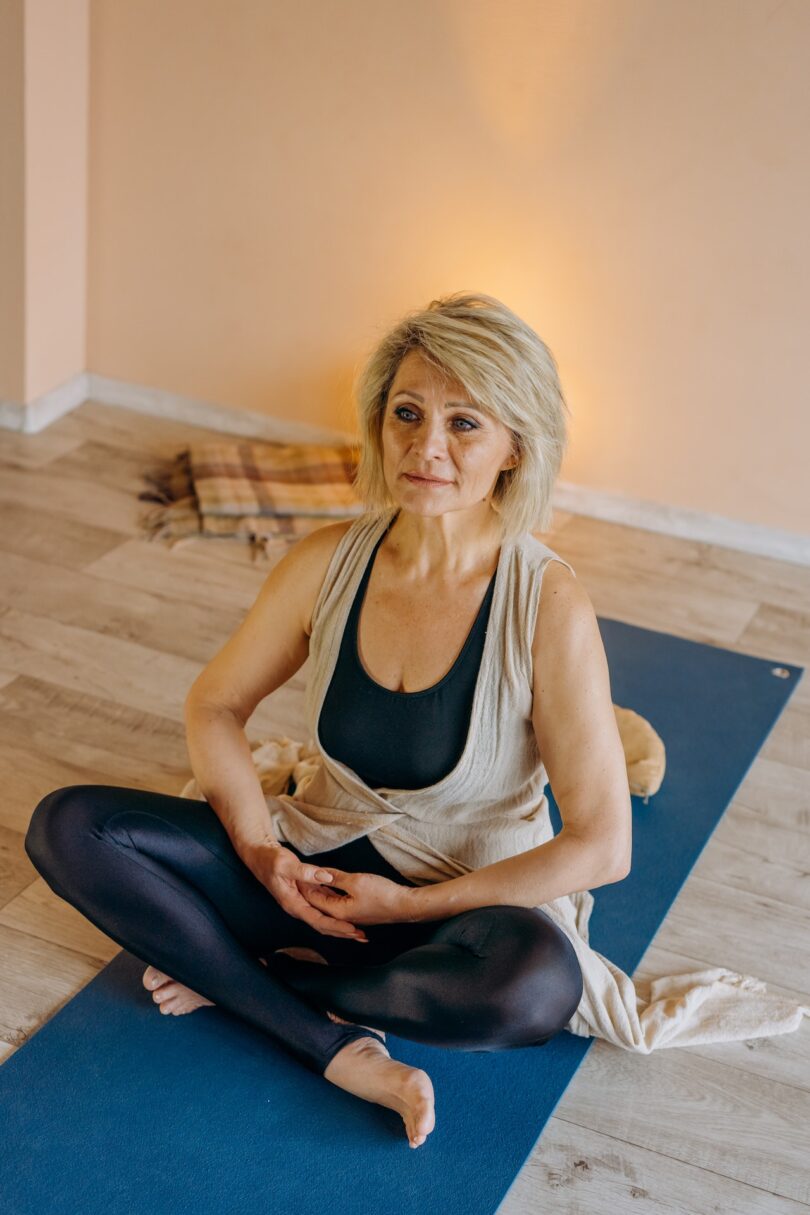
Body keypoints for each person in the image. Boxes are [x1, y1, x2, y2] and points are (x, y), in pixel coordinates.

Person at [25, 291, 632, 1150]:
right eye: (408, 413)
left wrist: (411, 904)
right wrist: (261, 851)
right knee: (69, 826)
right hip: (311, 873)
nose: (426, 446)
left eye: (465, 424)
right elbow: (216, 703)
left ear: (513, 448)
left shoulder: (548, 602)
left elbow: (604, 845)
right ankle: (336, 1042)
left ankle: (250, 984)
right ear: (379, 422)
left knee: (532, 986)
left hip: (446, 908)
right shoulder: (327, 560)